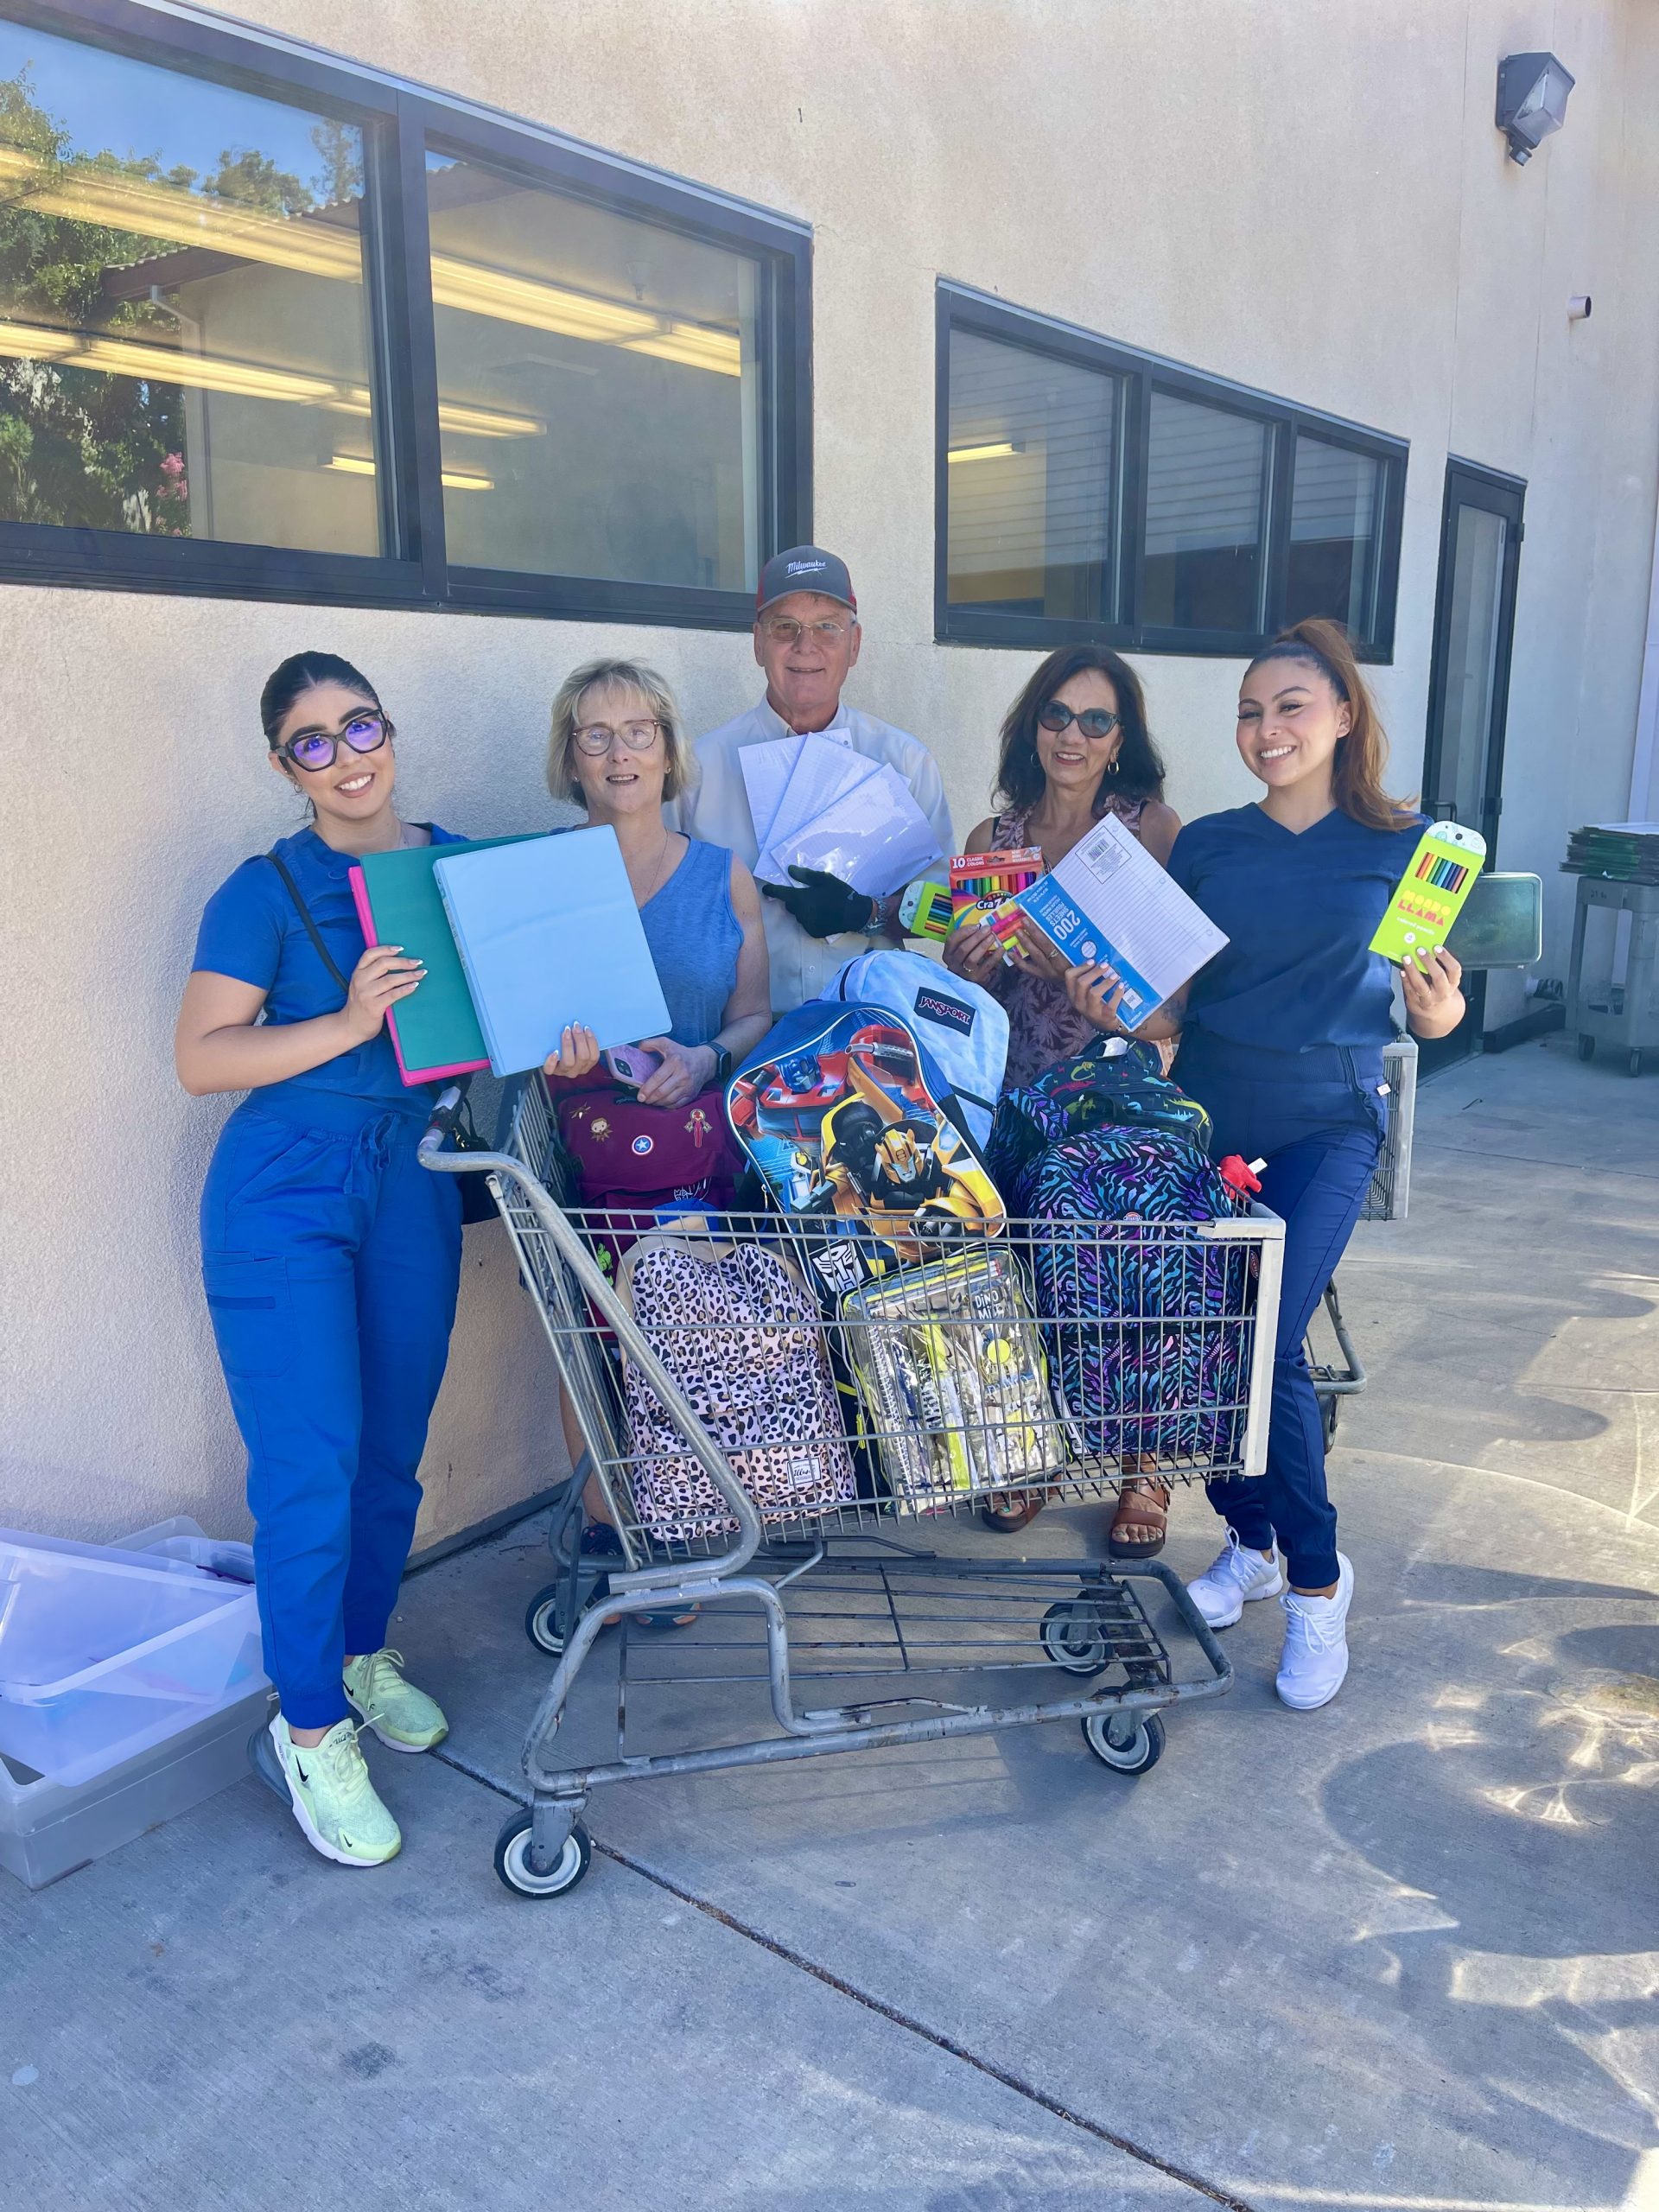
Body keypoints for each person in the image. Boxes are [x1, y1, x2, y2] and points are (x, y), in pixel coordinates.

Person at [1060, 618, 1465, 1709]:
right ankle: (1249, 1540)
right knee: (1206, 1337)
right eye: (1251, 709)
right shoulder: (1212, 846)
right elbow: (1179, 1000)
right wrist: (1125, 1009)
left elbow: (1436, 1007)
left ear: (1342, 716)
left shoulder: (1408, 845)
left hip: (1330, 1118)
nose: (1268, 727)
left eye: (1292, 705)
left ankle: (1320, 1585)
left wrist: (1441, 1011)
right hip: (1214, 1110)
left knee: (1267, 1338)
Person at [175, 652, 465, 1868]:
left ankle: (358, 1650)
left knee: (390, 1454)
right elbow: (202, 1057)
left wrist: (560, 1042)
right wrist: (349, 1021)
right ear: (284, 766)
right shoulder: (263, 890)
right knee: (310, 1466)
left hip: (413, 1179)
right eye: (313, 741)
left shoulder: (455, 868)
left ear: (389, 731)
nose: (348, 756)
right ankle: (307, 1729)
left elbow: (501, 1012)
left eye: (361, 725)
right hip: (284, 1190)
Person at [540, 657, 772, 1607]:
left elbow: (756, 1014)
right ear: (573, 759)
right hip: (582, 1147)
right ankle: (606, 1520)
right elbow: (509, 1015)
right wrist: (548, 1054)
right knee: (585, 1335)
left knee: (682, 1337)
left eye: (639, 731)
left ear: (671, 752)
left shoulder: (725, 876)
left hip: (692, 1158)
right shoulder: (543, 879)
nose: (620, 752)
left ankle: (683, 1514)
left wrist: (709, 1057)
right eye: (596, 735)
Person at [944, 645, 1180, 1556]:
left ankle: (1142, 1464)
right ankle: (1036, 1451)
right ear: (1030, 726)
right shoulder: (989, 843)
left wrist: (1112, 996)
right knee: (1028, 1273)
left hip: (1117, 1080)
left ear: (1121, 739)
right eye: (1055, 714)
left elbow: (1174, 970)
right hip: (1016, 1084)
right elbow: (972, 999)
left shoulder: (1150, 828)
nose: (1071, 735)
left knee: (1130, 1272)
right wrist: (965, 966)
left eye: (1095, 720)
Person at [680, 544, 955, 1014]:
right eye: (785, 627)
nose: (805, 646)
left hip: (868, 1035)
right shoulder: (697, 769)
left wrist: (870, 914)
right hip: (740, 1039)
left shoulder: (905, 763)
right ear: (757, 643)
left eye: (827, 626)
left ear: (855, 644)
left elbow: (945, 912)